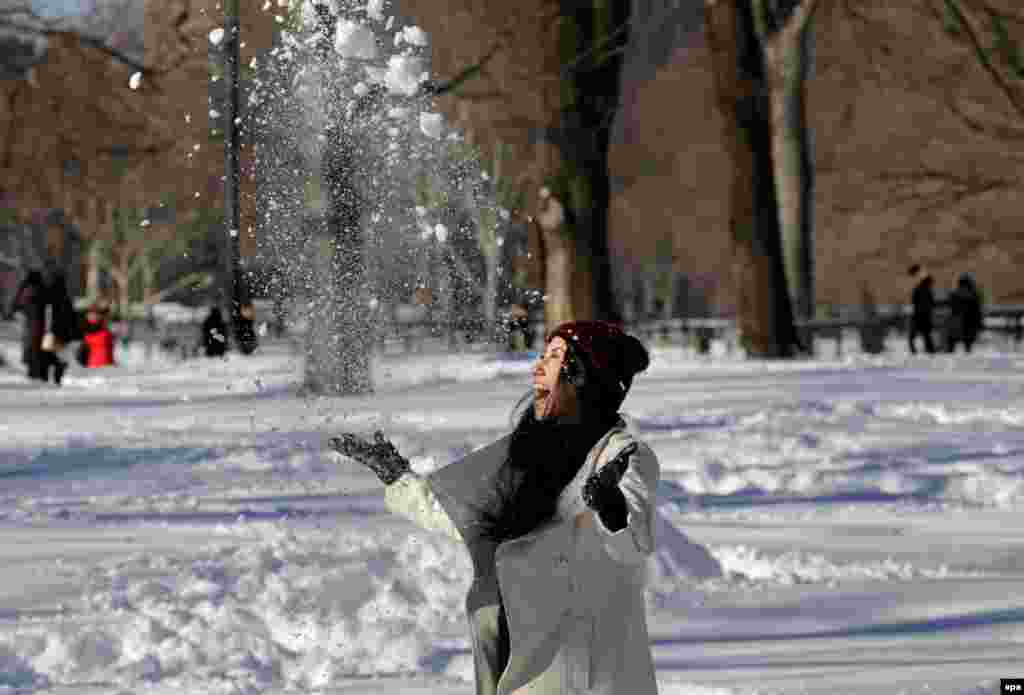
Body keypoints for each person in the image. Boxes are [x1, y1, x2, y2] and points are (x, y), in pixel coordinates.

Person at [331, 321, 659, 695]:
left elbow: (634, 542)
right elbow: (471, 518)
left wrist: (611, 508)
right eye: (541, 356)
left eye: (554, 357)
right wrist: (398, 479)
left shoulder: (622, 456)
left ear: (583, 376)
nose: (538, 368)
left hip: (591, 670)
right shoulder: (528, 454)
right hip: (524, 663)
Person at [7, 269, 47, 380]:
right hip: (39, 323)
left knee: (30, 345)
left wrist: (15, 312)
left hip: (28, 323)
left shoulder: (25, 289)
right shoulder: (42, 289)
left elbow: (16, 305)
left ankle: (32, 370)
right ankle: (37, 370)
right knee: (37, 346)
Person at [946, 273, 984, 353]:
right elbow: (978, 311)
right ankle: (967, 352)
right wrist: (980, 323)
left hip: (957, 324)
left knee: (951, 342)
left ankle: (950, 353)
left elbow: (951, 307)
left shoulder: (954, 294)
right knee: (967, 344)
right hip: (970, 324)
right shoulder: (975, 295)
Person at [907, 264, 937, 355]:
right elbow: (932, 303)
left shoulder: (919, 289)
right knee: (926, 335)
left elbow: (914, 301)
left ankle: (916, 351)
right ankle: (930, 350)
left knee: (914, 336)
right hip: (925, 316)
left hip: (919, 315)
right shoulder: (927, 291)